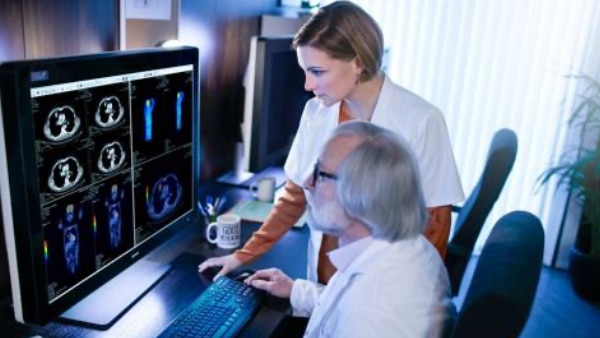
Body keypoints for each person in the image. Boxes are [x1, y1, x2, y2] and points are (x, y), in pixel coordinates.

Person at [198, 1, 464, 283]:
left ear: (358, 62)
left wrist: (416, 298)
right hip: (321, 284)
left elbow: (435, 222)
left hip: (385, 289)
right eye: (305, 71)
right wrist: (241, 256)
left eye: (318, 72)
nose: (307, 85)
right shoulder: (316, 112)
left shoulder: (422, 120)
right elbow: (295, 194)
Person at [245, 121, 456, 337]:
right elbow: (342, 304)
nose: (308, 183)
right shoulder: (403, 246)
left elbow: (359, 310)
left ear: (361, 193)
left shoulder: (373, 315)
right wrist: (295, 290)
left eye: (321, 173)